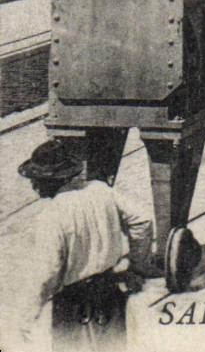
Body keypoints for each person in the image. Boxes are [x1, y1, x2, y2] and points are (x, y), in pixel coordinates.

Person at [14, 138, 153, 349]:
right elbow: (142, 221)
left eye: (38, 179)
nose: (34, 186)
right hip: (111, 292)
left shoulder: (51, 216)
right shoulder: (101, 191)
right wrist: (136, 264)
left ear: (53, 179)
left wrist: (28, 315)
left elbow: (46, 273)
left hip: (73, 302)